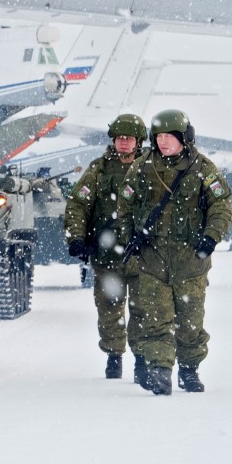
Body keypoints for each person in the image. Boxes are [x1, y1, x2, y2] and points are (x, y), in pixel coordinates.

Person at [116, 109, 232, 395]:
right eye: (159, 137)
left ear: (184, 137)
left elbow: (221, 204)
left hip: (190, 259)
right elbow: (125, 205)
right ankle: (161, 370)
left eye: (170, 136)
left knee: (191, 320)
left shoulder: (202, 168)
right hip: (152, 258)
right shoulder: (142, 168)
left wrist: (211, 236)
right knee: (156, 318)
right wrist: (130, 234)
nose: (164, 142)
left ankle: (189, 370)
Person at [64, 113, 147, 381]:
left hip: (142, 255)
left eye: (129, 138)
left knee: (143, 309)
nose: (124, 142)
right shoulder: (98, 170)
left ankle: (142, 358)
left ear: (138, 141)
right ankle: (114, 357)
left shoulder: (150, 169)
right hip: (107, 254)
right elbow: (78, 204)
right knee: (109, 308)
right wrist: (76, 237)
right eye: (120, 138)